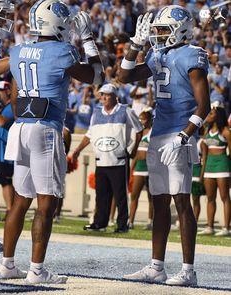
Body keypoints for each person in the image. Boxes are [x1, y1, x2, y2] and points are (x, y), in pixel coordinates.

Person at [0, 0, 104, 284]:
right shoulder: (63, 50)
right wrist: (89, 39)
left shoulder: (17, 51)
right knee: (46, 204)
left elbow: (17, 99)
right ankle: (37, 269)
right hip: (46, 128)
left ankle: (7, 264)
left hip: (21, 127)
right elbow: (96, 75)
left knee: (20, 200)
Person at [119, 5, 210, 286]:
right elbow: (124, 77)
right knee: (158, 203)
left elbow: (204, 105)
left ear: (180, 29)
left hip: (179, 134)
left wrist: (185, 135)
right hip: (158, 133)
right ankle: (156, 266)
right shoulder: (157, 54)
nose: (156, 34)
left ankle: (188, 271)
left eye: (161, 29)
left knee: (181, 201)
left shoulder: (192, 55)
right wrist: (135, 45)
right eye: (155, 30)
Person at [72, 83, 143, 233]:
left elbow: (139, 130)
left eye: (107, 94)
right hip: (101, 160)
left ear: (115, 96)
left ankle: (122, 225)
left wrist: (133, 149)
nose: (104, 97)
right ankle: (100, 223)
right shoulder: (96, 113)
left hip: (119, 159)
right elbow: (89, 134)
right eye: (102, 94)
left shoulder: (126, 111)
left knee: (120, 195)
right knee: (101, 195)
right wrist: (78, 150)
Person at [198, 105, 231, 236]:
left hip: (222, 165)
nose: (209, 116)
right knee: (210, 198)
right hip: (209, 167)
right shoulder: (207, 131)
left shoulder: (226, 132)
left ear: (218, 116)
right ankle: (210, 226)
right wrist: (202, 173)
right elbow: (204, 155)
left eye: (211, 114)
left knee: (225, 198)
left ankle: (226, 228)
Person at [128, 108, 153, 230]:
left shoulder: (153, 133)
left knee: (151, 196)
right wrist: (131, 168)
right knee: (134, 195)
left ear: (149, 120)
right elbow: (136, 153)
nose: (141, 121)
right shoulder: (138, 133)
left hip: (150, 167)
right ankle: (130, 221)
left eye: (143, 119)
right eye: (140, 119)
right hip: (139, 166)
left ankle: (150, 221)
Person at [0, 81, 15, 221]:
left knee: (5, 181)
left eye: (1, 91)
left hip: (4, 152)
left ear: (8, 91)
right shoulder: (1, 107)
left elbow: (2, 122)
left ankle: (10, 211)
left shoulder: (12, 108)